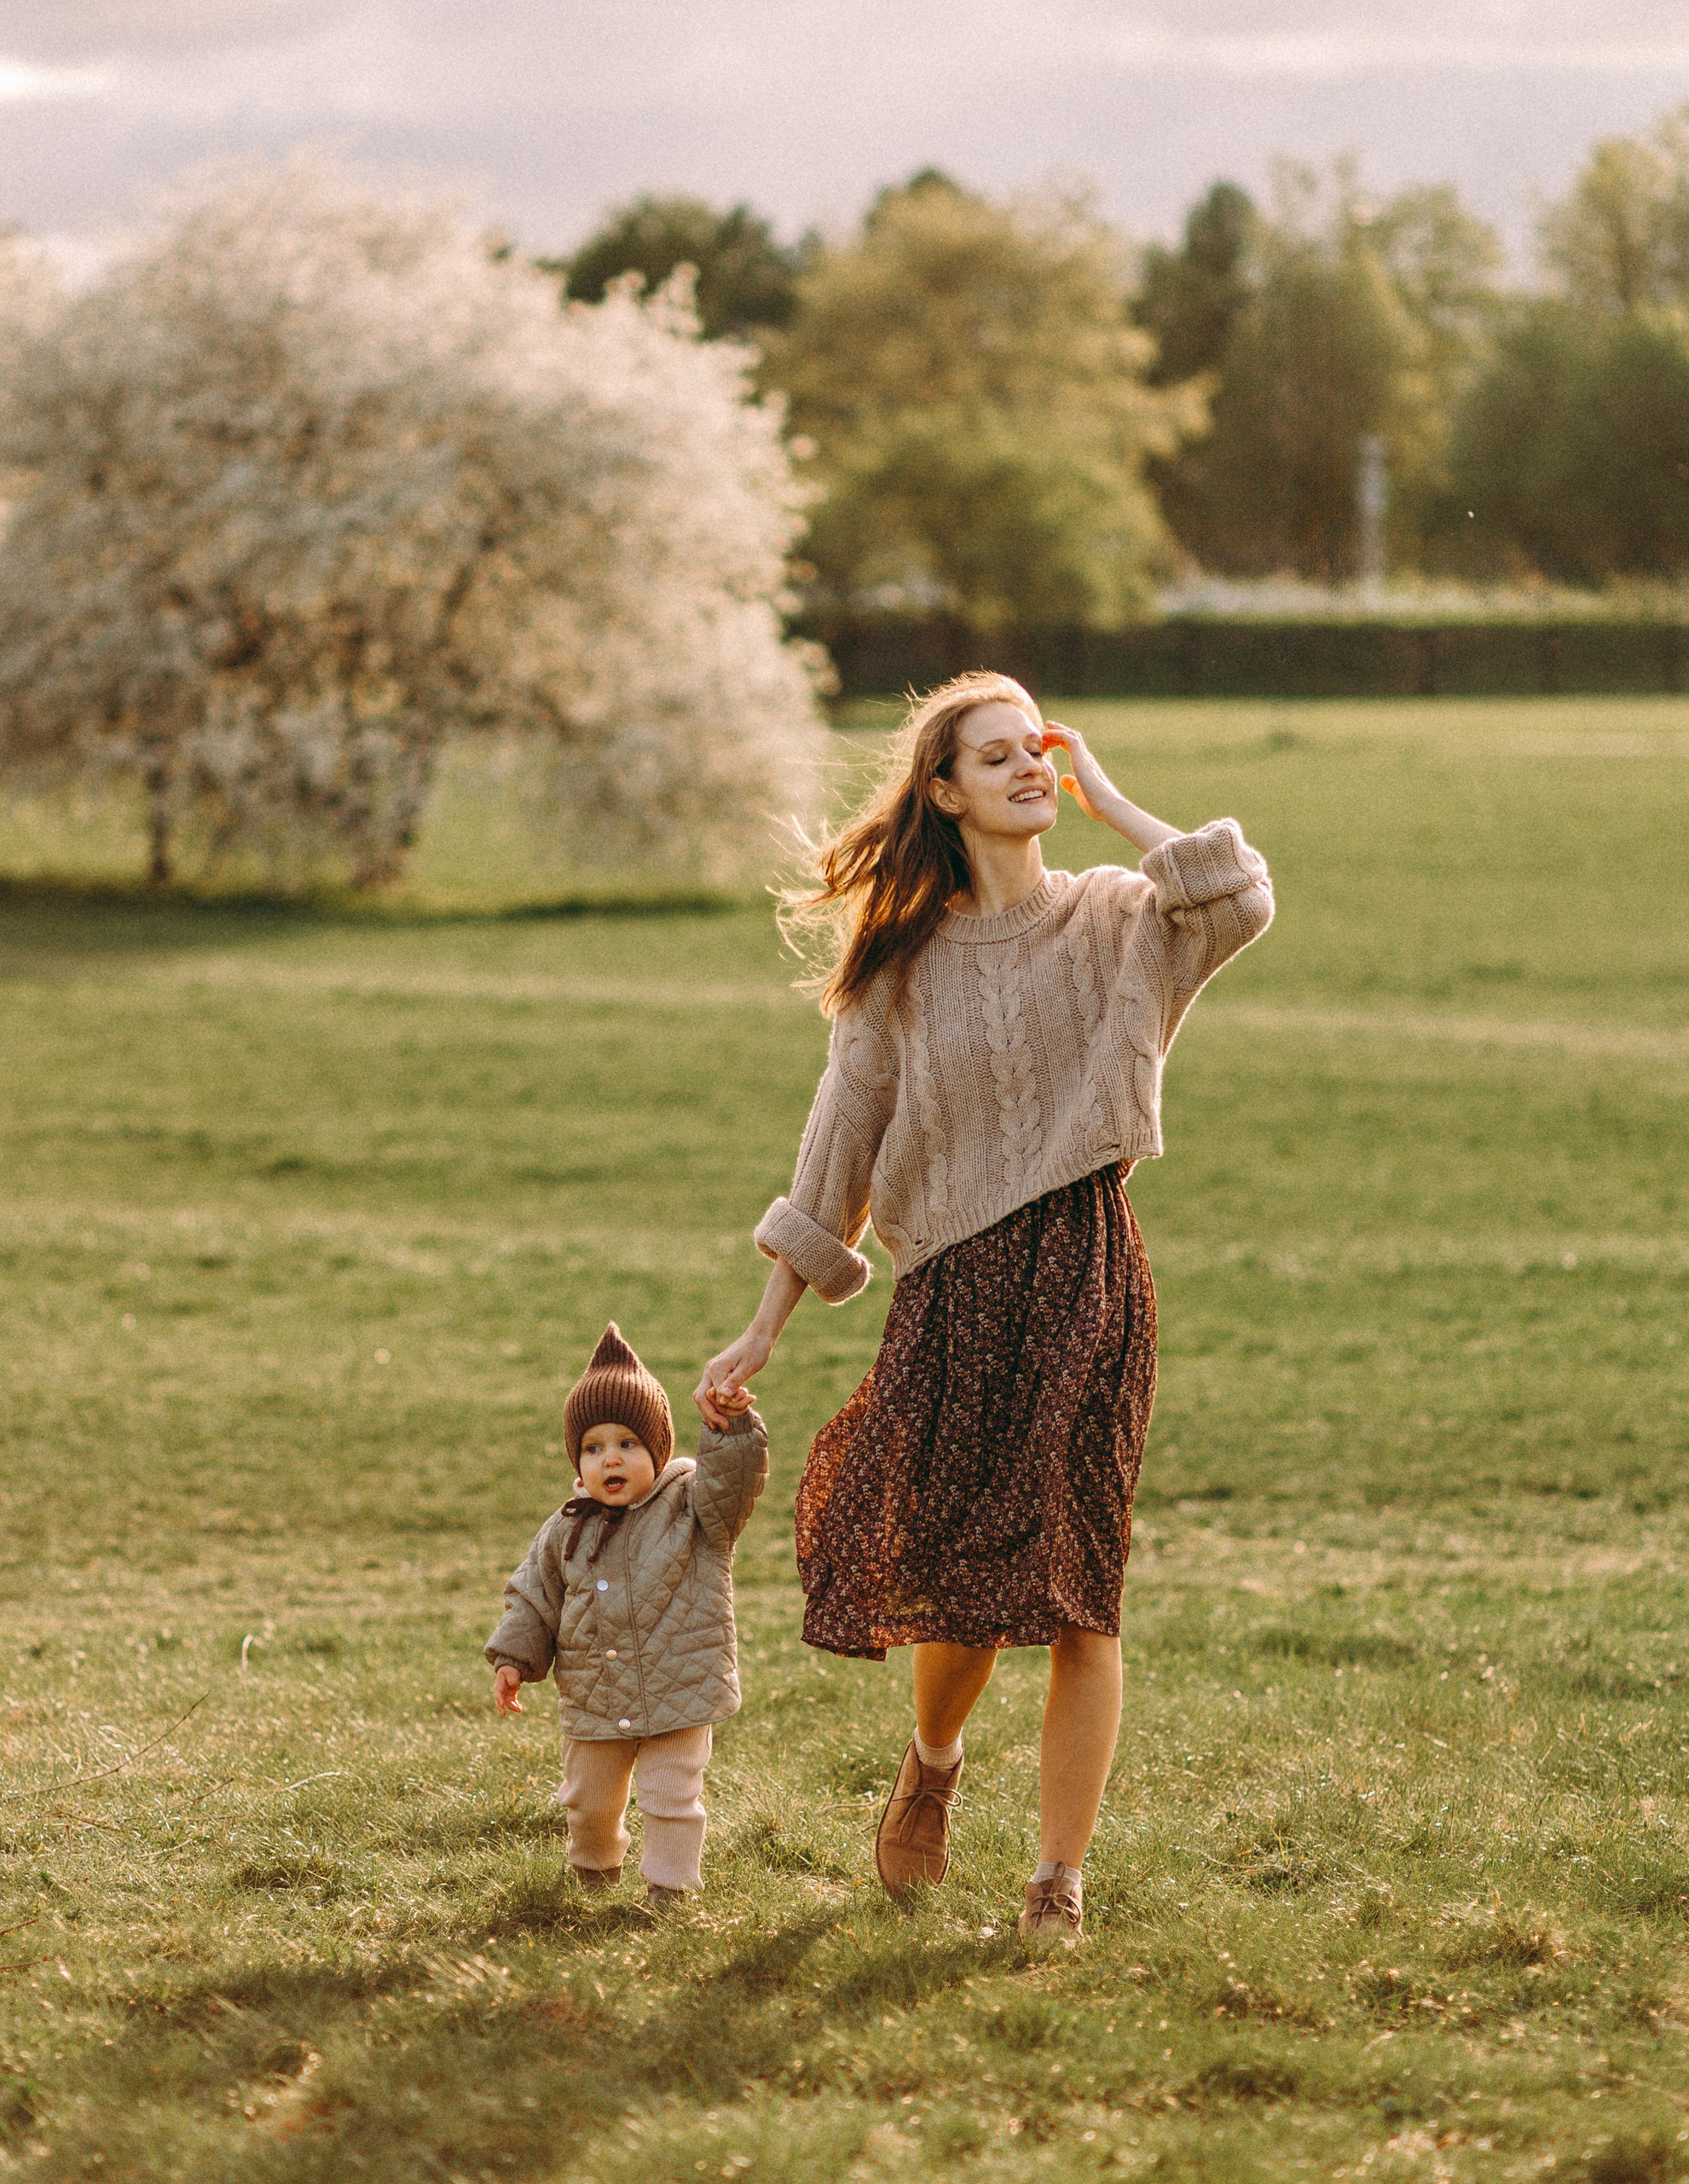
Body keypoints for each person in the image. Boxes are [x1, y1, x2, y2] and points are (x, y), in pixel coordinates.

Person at [695, 675, 1272, 1944]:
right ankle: (936, 1759)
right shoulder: (897, 971)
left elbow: (1237, 898)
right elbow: (837, 1151)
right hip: (951, 1289)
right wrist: (765, 1325)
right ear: (942, 792)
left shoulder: (1125, 919)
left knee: (1081, 1585)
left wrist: (1111, 798)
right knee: (958, 1584)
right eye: (994, 756)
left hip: (1088, 1273)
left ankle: (1057, 1882)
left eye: (1038, 751)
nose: (1026, 770)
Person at [488, 1324, 767, 1905]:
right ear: (578, 1459)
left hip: (680, 1693)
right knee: (587, 1801)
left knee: (671, 1797)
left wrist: (729, 1428)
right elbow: (532, 1597)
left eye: (627, 1444)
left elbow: (735, 1482)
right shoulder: (566, 1528)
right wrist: (514, 1658)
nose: (610, 1458)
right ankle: (594, 1870)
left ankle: (670, 1888)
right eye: (594, 1447)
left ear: (657, 1451)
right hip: (596, 1696)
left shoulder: (694, 1508)